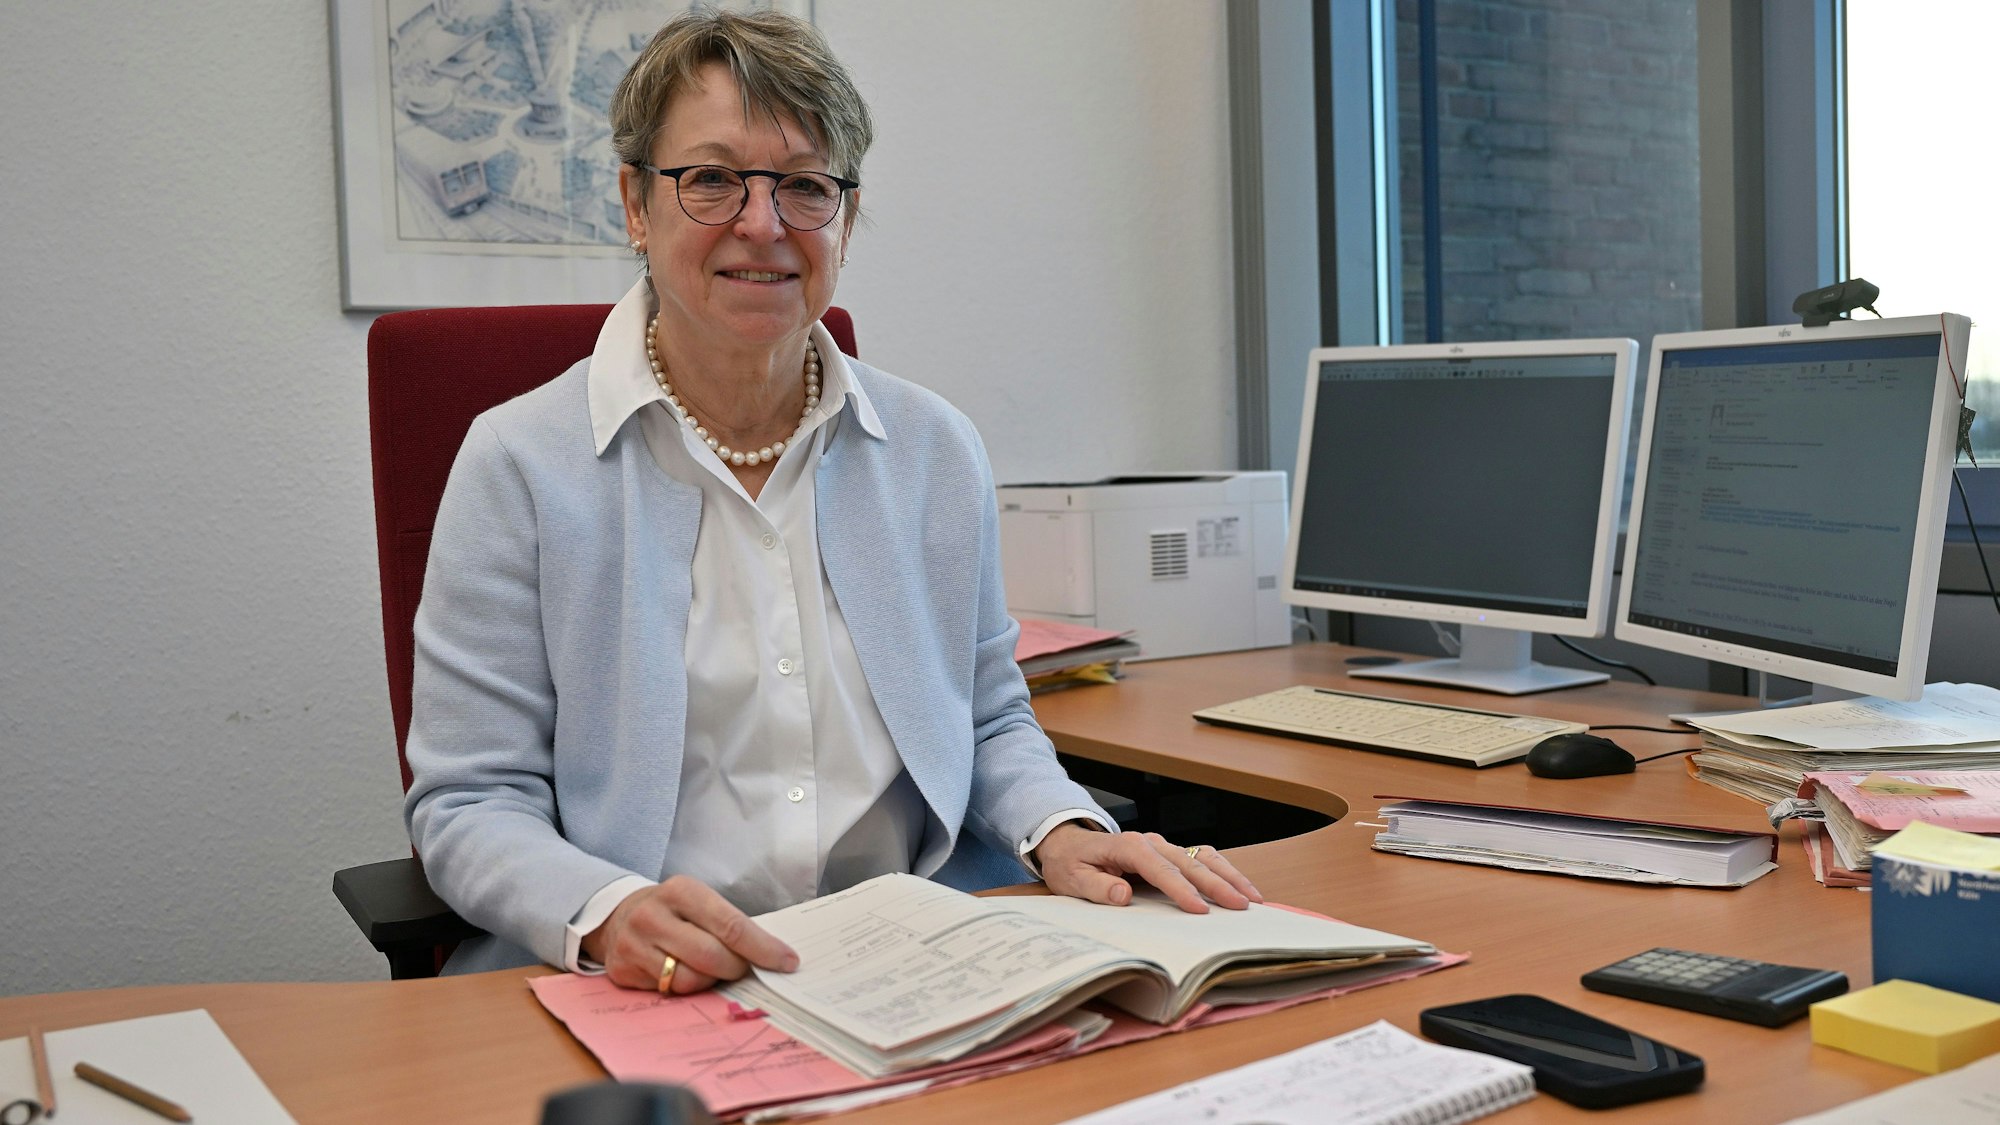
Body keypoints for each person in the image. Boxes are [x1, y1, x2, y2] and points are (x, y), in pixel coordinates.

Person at [403, 8, 1259, 993]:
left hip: (925, 956)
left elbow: (984, 719)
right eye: (712, 179)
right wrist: (604, 912)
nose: (761, 224)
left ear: (844, 218)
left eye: (804, 186)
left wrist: (1056, 827)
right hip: (659, 983)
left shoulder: (933, 448)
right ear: (636, 204)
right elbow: (469, 804)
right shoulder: (519, 462)